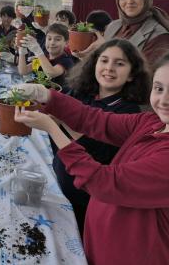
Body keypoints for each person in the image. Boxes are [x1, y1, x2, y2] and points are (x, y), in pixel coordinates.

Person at [13, 47, 169, 265]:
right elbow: (95, 120)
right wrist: (47, 96)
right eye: (159, 88)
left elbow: (104, 182)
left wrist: (53, 129)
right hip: (102, 247)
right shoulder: (153, 123)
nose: (164, 99)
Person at [53, 39, 150, 234]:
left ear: (132, 74)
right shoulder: (82, 92)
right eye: (104, 60)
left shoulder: (128, 113)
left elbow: (88, 148)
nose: (109, 68)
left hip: (84, 200)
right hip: (58, 183)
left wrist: (56, 121)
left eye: (119, 63)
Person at [89, 0, 169, 63]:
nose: (130, 1)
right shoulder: (112, 26)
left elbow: (148, 72)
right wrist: (88, 56)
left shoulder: (159, 36)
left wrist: (105, 49)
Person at [18, 23, 75, 89]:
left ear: (66, 43)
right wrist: (22, 51)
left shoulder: (66, 60)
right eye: (49, 39)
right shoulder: (44, 56)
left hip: (56, 94)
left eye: (58, 39)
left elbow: (51, 73)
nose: (52, 43)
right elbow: (23, 71)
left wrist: (38, 52)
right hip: (39, 91)